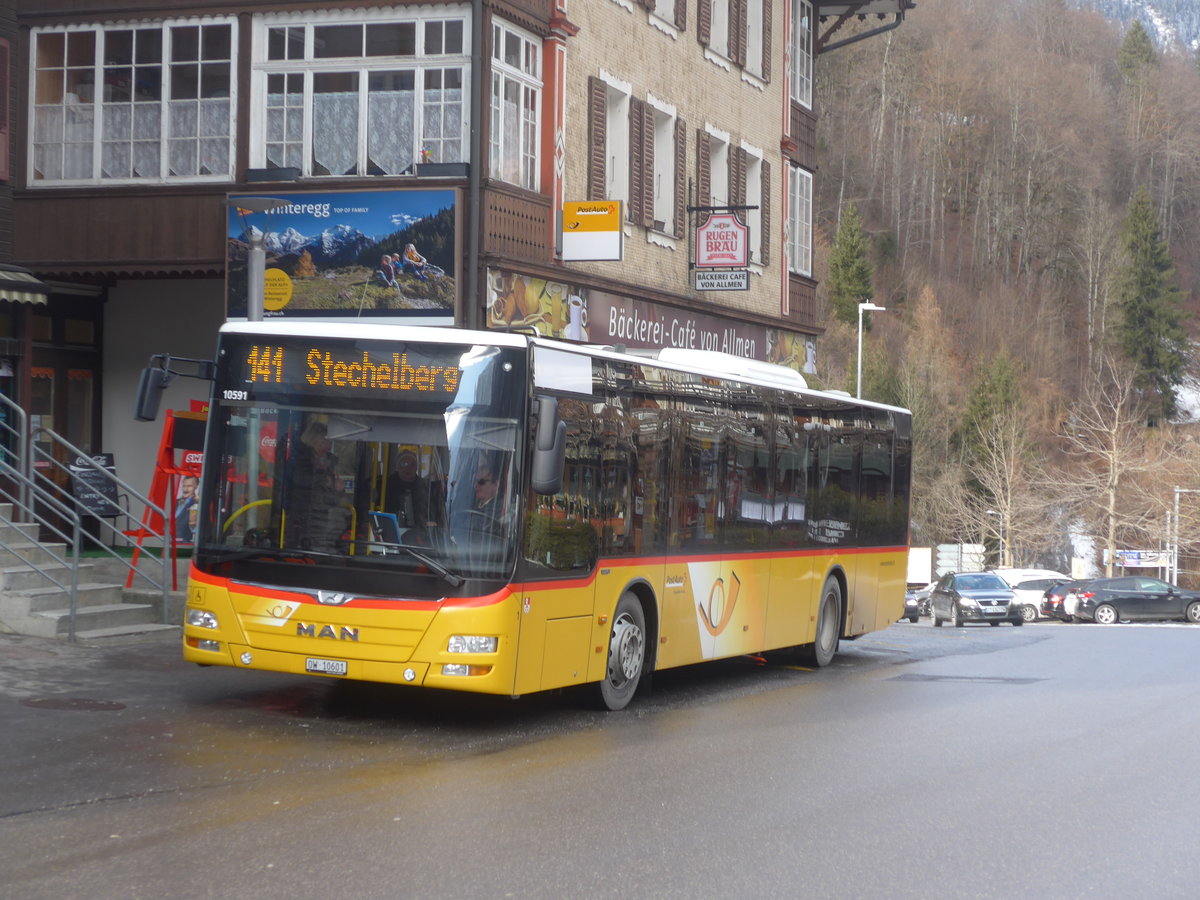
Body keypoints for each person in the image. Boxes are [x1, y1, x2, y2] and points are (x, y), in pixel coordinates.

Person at [286, 421, 345, 551]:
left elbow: (331, 501)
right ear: (318, 439)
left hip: (320, 519)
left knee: (316, 552)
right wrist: (323, 479)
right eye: (328, 439)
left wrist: (338, 490)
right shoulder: (302, 457)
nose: (330, 443)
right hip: (299, 516)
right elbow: (300, 480)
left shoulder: (331, 463)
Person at [384, 450, 439, 529]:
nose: (407, 468)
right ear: (397, 466)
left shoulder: (426, 487)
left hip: (420, 532)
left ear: (416, 467)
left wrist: (429, 521)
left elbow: (433, 512)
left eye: (412, 465)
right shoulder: (386, 486)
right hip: (391, 530)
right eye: (404, 464)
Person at [174, 474, 199, 543]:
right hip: (172, 541)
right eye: (184, 486)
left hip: (186, 542)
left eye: (189, 486)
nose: (185, 489)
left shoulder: (198, 503)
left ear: (196, 486)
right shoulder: (176, 501)